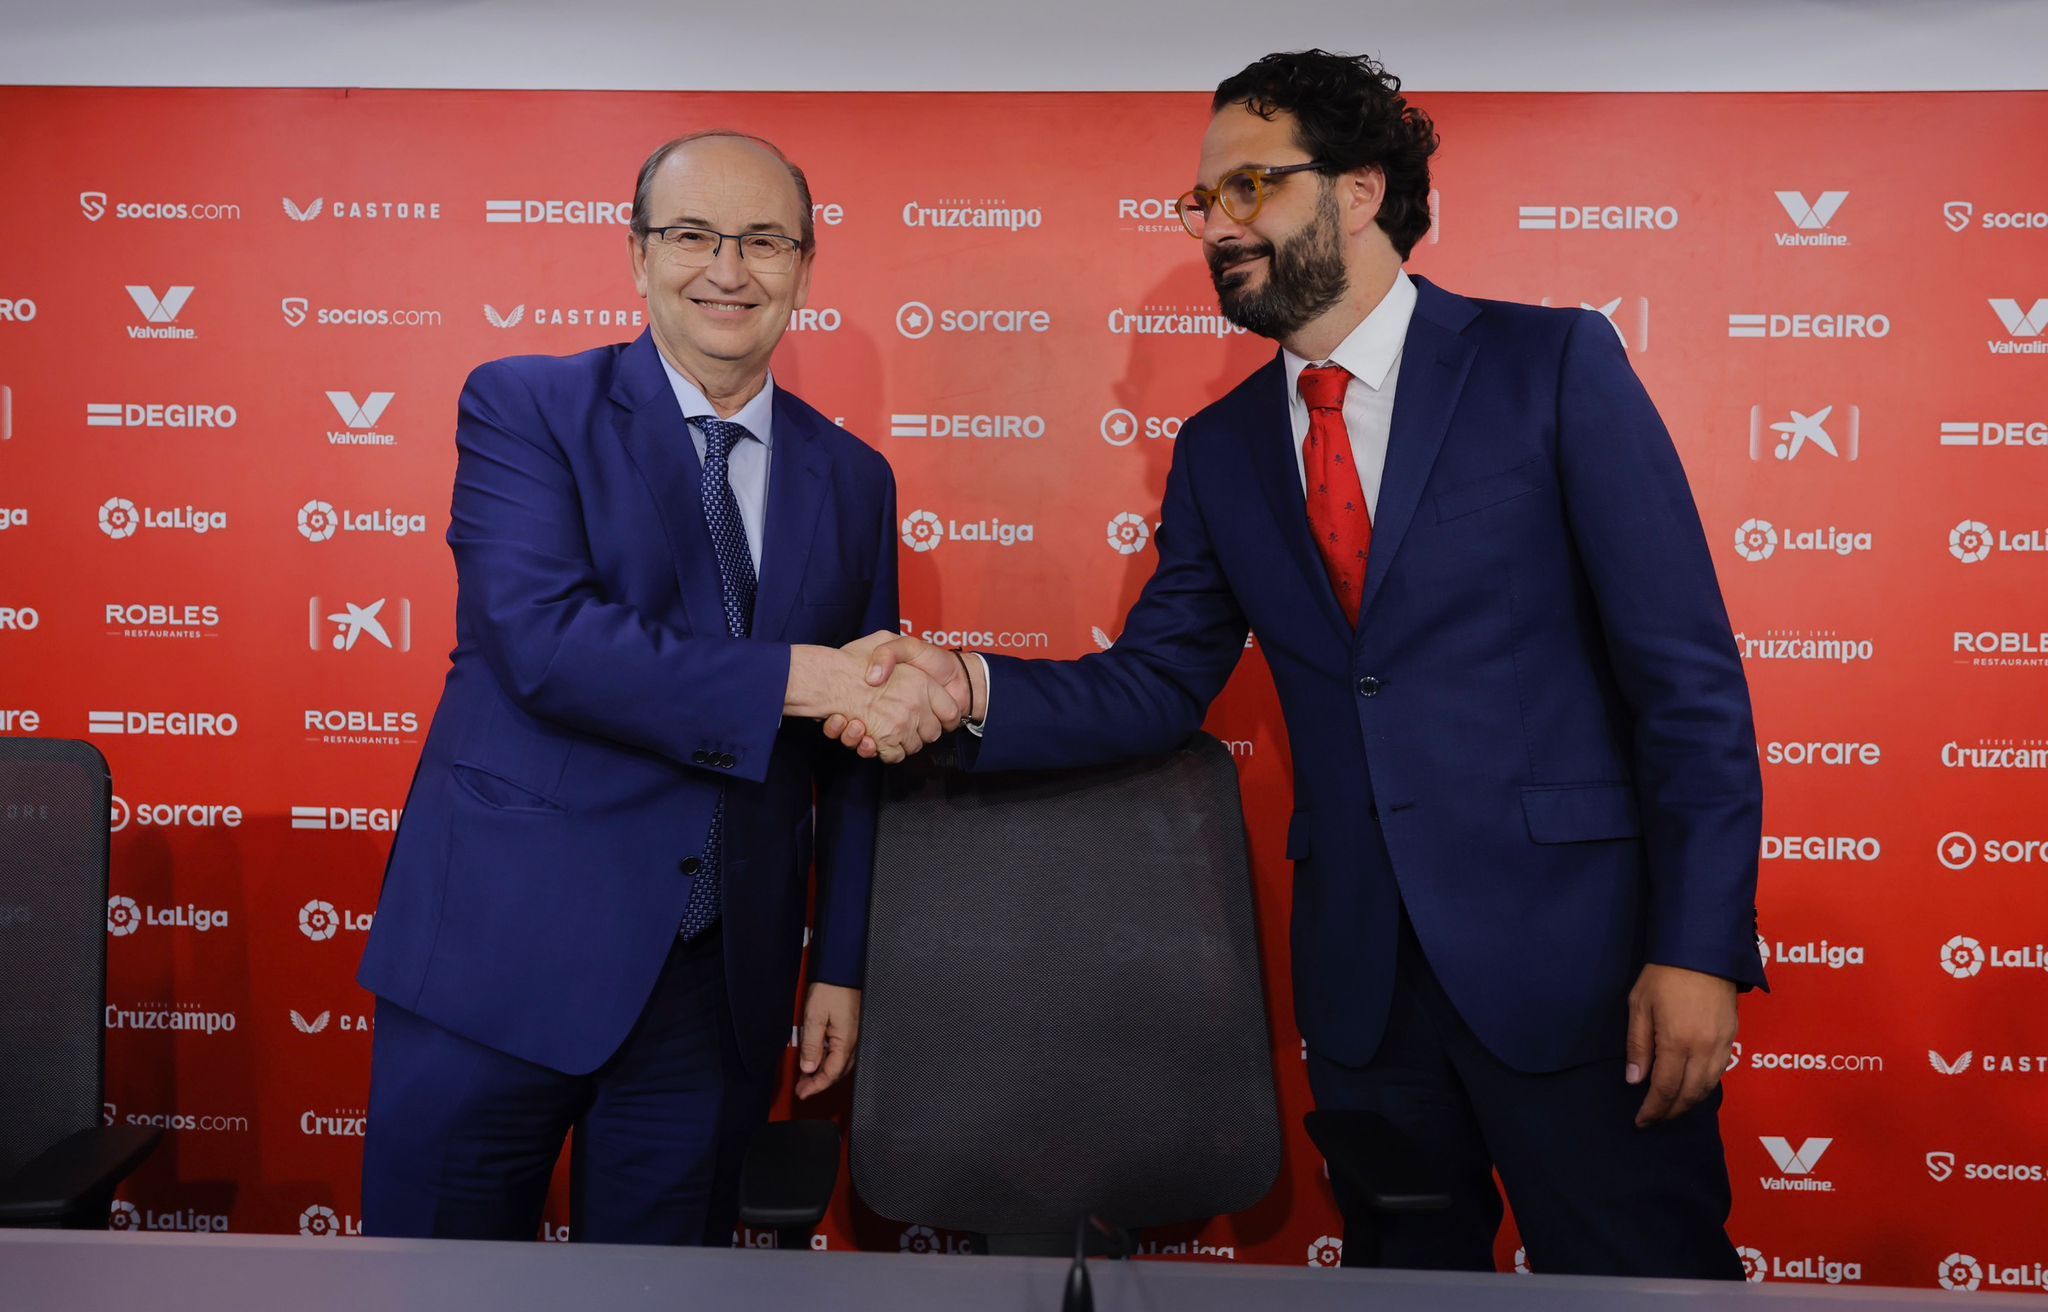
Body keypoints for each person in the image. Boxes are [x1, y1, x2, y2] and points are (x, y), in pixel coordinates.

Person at [844, 51, 1766, 1278]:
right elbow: (1157, 681)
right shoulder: (1221, 449)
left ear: (1357, 192)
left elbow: (1686, 686)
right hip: (1364, 988)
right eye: (1201, 201)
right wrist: (966, 685)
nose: (1215, 228)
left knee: (1637, 1279)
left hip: (1583, 973)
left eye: (1248, 189)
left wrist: (1696, 947)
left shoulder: (1548, 367)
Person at [356, 131, 954, 1246]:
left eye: (764, 241)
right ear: (636, 257)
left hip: (712, 989)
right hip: (499, 955)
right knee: (429, 1283)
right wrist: (800, 677)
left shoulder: (854, 478)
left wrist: (843, 964)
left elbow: (857, 752)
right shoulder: (526, 407)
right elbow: (543, 642)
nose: (727, 269)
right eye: (690, 235)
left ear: (805, 269)